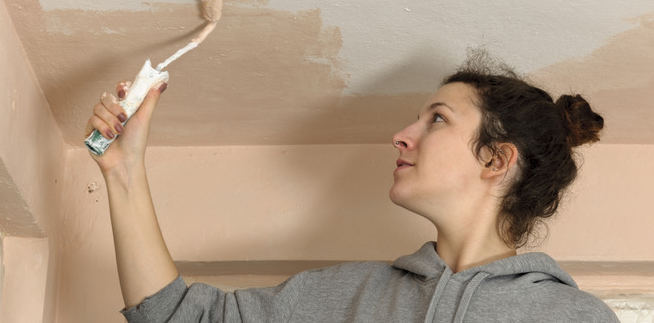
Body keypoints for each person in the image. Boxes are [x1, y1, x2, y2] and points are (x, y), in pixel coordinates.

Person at [86, 54, 619, 322]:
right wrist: (123, 169)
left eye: (436, 119)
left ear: (495, 158)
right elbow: (177, 316)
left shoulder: (573, 317)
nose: (402, 137)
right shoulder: (344, 296)